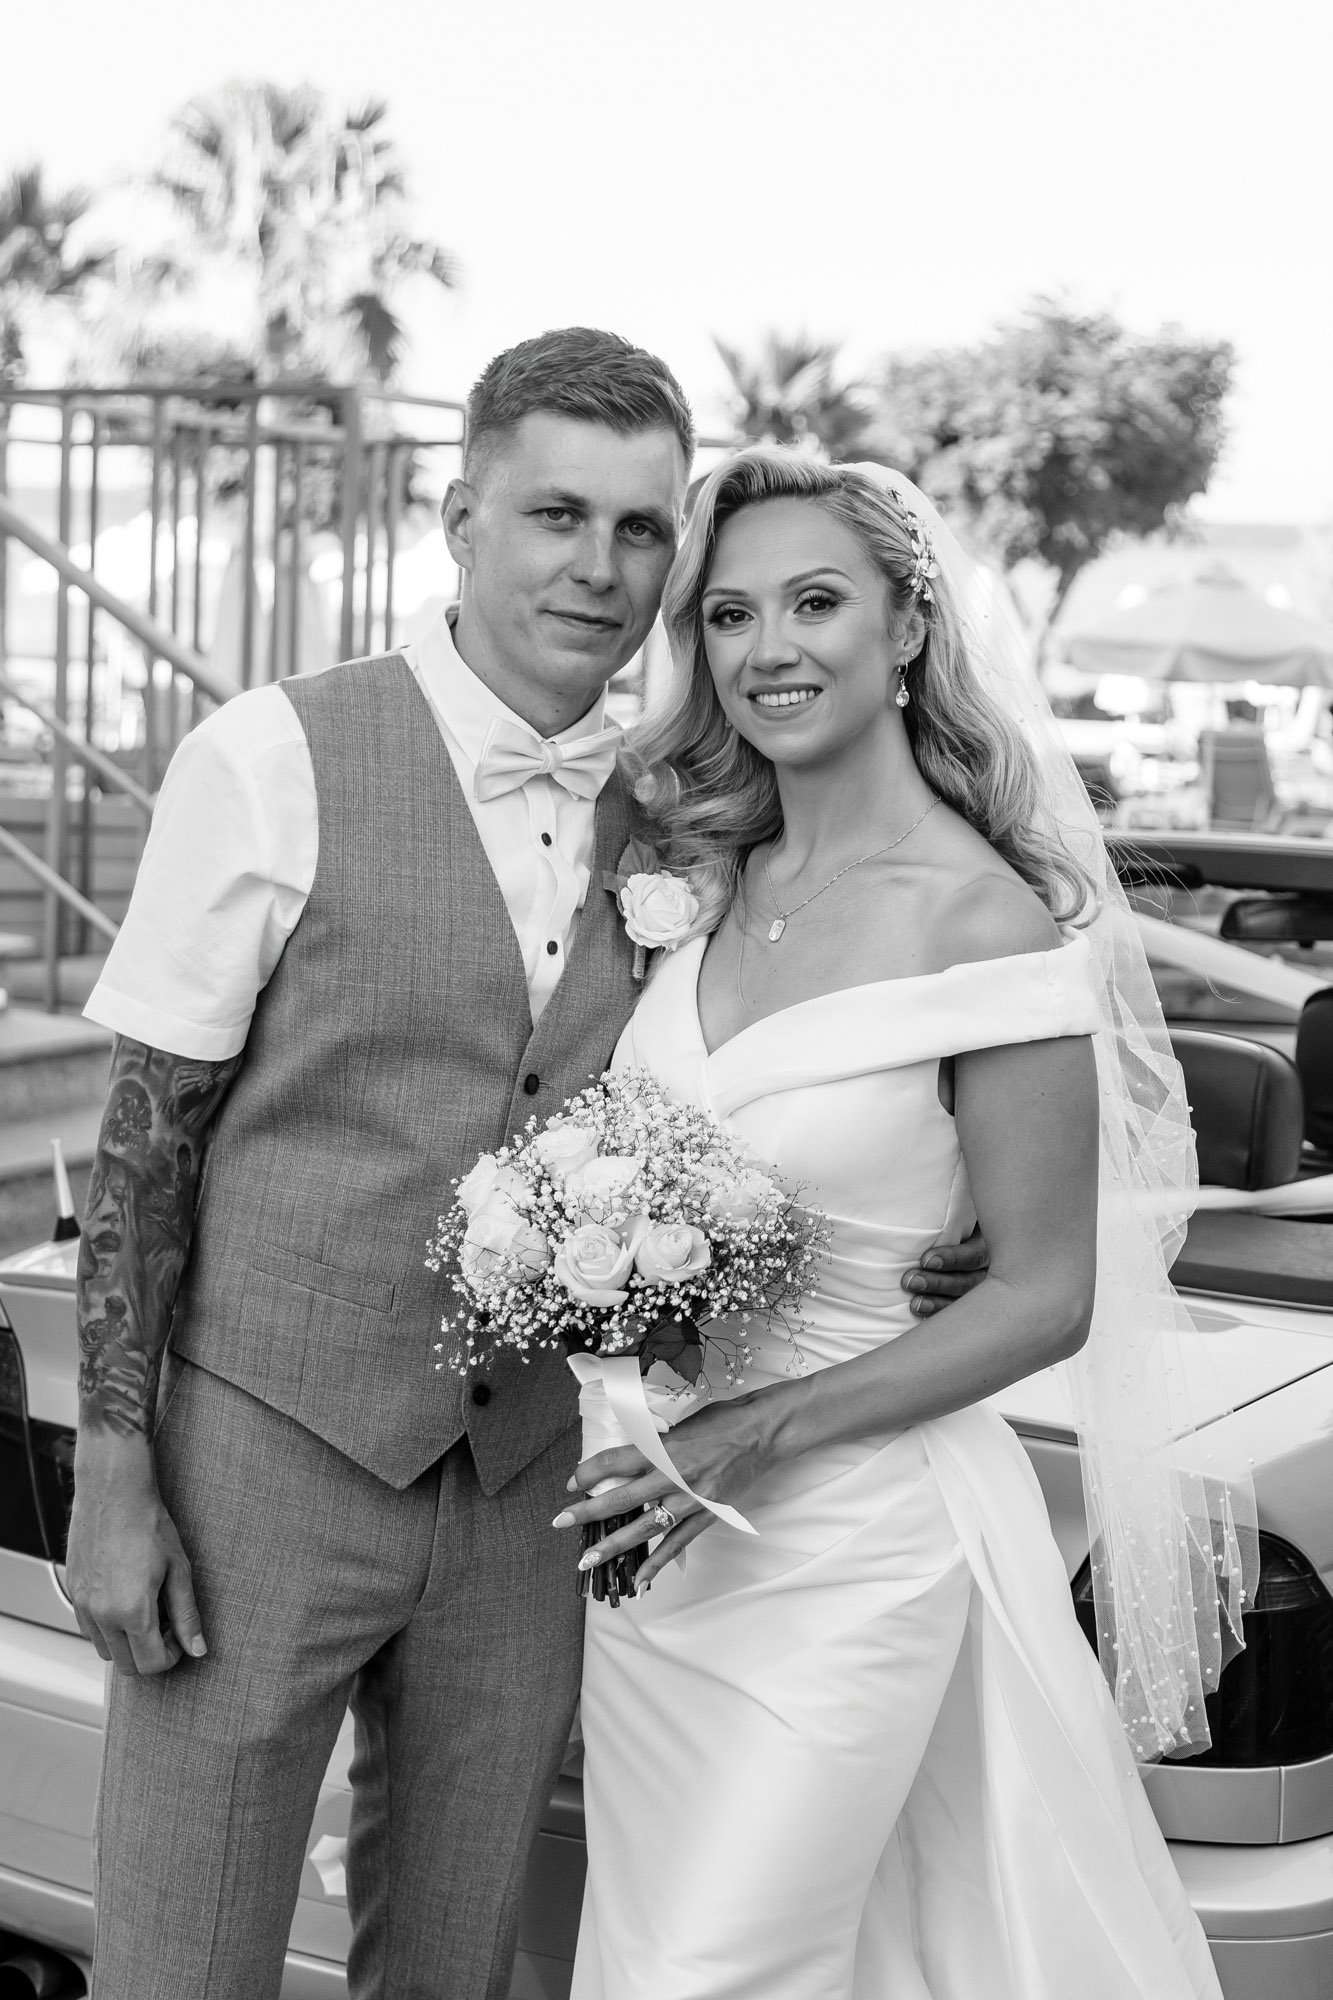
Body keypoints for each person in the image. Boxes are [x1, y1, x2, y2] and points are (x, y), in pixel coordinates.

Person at [65, 334, 983, 2000]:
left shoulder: (695, 810)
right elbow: (143, 1146)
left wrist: (956, 1213)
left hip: (529, 1492)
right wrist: (114, 1475)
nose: (601, 567)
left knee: (460, 1959)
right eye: (557, 514)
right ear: (459, 516)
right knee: (180, 1957)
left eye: (644, 531)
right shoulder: (269, 757)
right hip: (260, 1457)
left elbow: (825, 1047)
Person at [557, 447, 1255, 1999]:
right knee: (711, 1946)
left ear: (907, 628)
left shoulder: (979, 916)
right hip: (658, 1555)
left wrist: (751, 1432)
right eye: (729, 615)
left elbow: (1041, 1296)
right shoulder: (696, 874)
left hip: (856, 1536)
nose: (768, 650)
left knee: (716, 1968)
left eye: (816, 602)